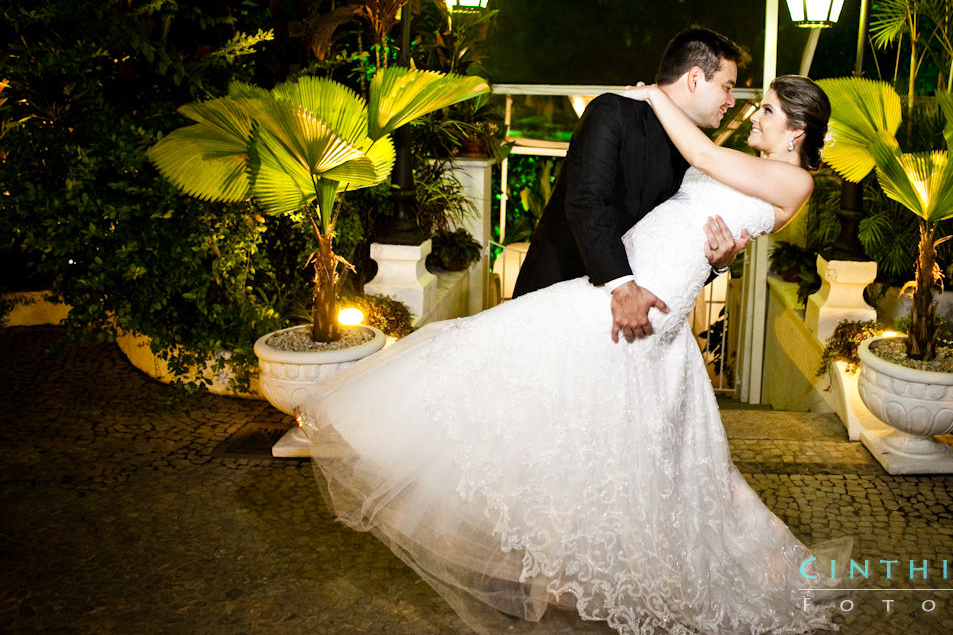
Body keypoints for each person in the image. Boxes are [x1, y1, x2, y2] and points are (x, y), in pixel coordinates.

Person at [297, 74, 845, 635]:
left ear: (796, 132)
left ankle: (556, 550)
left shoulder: (794, 182)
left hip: (650, 302)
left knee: (533, 371)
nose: (753, 115)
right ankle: (555, 554)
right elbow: (717, 229)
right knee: (573, 414)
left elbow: (704, 160)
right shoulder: (756, 165)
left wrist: (655, 94)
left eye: (768, 111)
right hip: (619, 286)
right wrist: (724, 256)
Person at [512, 27, 753, 345]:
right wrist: (623, 288)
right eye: (727, 87)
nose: (732, 101)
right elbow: (585, 203)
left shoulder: (694, 153)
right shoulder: (612, 112)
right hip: (554, 299)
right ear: (694, 79)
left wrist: (720, 264)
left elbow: (676, 247)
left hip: (624, 326)